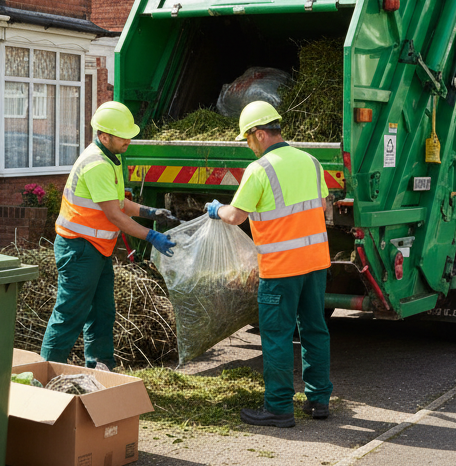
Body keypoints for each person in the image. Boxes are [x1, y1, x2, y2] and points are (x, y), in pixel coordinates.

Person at [207, 101, 332, 427]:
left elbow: (235, 217)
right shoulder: (312, 161)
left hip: (281, 268)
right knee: (315, 330)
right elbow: (322, 203)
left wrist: (215, 209)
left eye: (248, 138)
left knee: (277, 336)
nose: (248, 145)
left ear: (261, 134)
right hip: (316, 263)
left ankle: (278, 408)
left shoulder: (260, 170)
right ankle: (319, 401)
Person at [41, 101, 175, 372]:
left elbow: (119, 203)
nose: (129, 140)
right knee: (70, 313)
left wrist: (152, 212)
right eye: (123, 136)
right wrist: (151, 236)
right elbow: (114, 215)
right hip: (79, 249)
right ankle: (46, 372)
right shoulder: (97, 165)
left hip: (97, 249)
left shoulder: (112, 157)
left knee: (102, 311)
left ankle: (100, 367)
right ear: (104, 136)